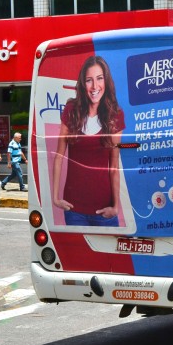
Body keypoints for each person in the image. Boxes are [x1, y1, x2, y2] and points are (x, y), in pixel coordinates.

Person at [52, 56, 125, 227]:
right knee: (75, 255)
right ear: (83, 84)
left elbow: (114, 166)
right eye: (89, 80)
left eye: (99, 78)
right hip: (74, 211)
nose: (94, 86)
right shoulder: (71, 111)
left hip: (104, 211)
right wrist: (55, 198)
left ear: (106, 82)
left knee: (107, 255)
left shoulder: (115, 116)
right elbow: (58, 156)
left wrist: (115, 207)